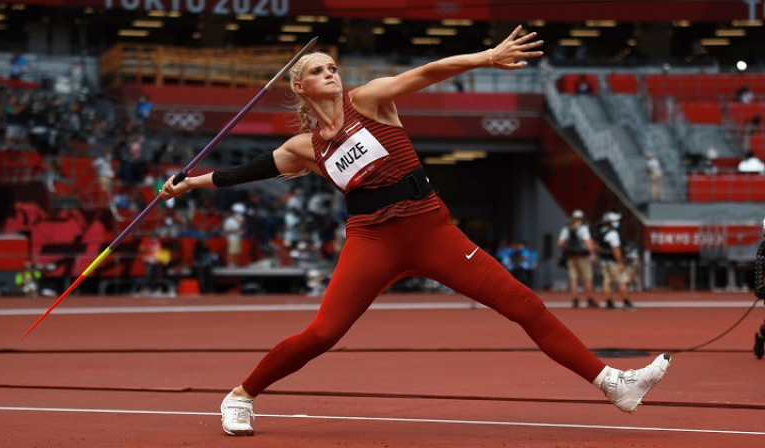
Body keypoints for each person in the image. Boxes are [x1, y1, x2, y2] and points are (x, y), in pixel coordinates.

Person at [160, 28, 670, 437]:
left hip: (431, 230)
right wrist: (187, 185)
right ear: (300, 87)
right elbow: (246, 170)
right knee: (322, 334)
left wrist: (487, 56)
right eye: (319, 70)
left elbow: (428, 71)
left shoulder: (370, 100)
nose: (331, 73)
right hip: (372, 241)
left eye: (333, 66)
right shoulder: (303, 148)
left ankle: (613, 384)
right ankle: (240, 397)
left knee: (525, 305)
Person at [557, 210, 598, 308]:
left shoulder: (566, 228)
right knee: (587, 278)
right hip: (582, 256)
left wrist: (567, 250)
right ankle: (589, 298)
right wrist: (593, 255)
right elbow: (588, 243)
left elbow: (560, 243)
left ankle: (575, 298)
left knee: (573, 278)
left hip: (571, 257)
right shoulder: (583, 228)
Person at [596, 212, 635, 310]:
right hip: (613, 262)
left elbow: (598, 247)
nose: (618, 222)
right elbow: (616, 250)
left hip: (604, 261)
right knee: (623, 281)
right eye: (616, 221)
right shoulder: (613, 233)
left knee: (607, 281)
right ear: (611, 222)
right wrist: (620, 262)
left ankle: (609, 302)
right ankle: (626, 302)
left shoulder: (602, 231)